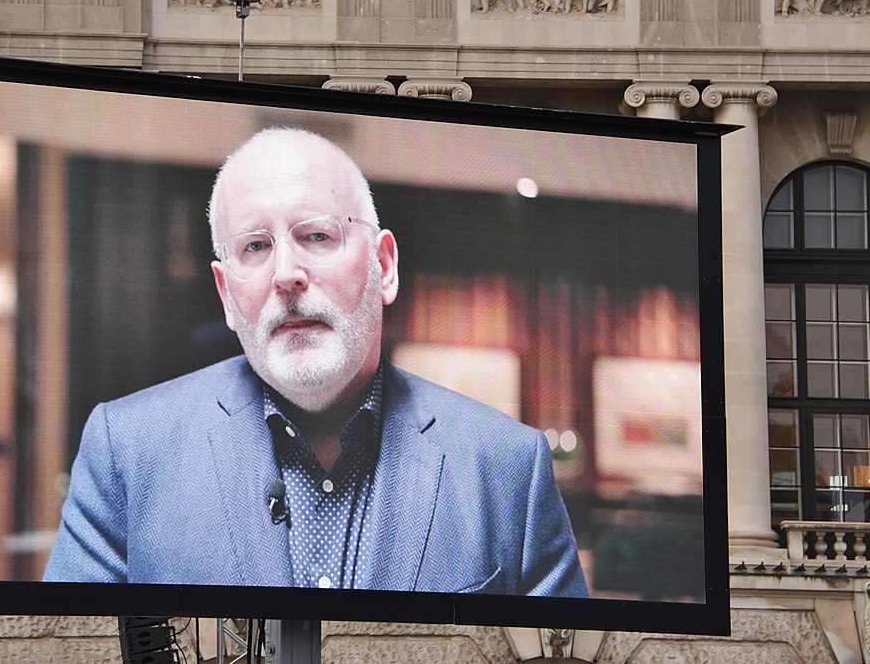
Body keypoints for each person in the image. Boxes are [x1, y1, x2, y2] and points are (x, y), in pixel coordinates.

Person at [44, 128, 587, 596]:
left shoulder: (507, 467)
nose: (287, 273)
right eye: (255, 246)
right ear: (227, 295)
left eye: (317, 235)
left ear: (385, 266)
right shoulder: (128, 451)